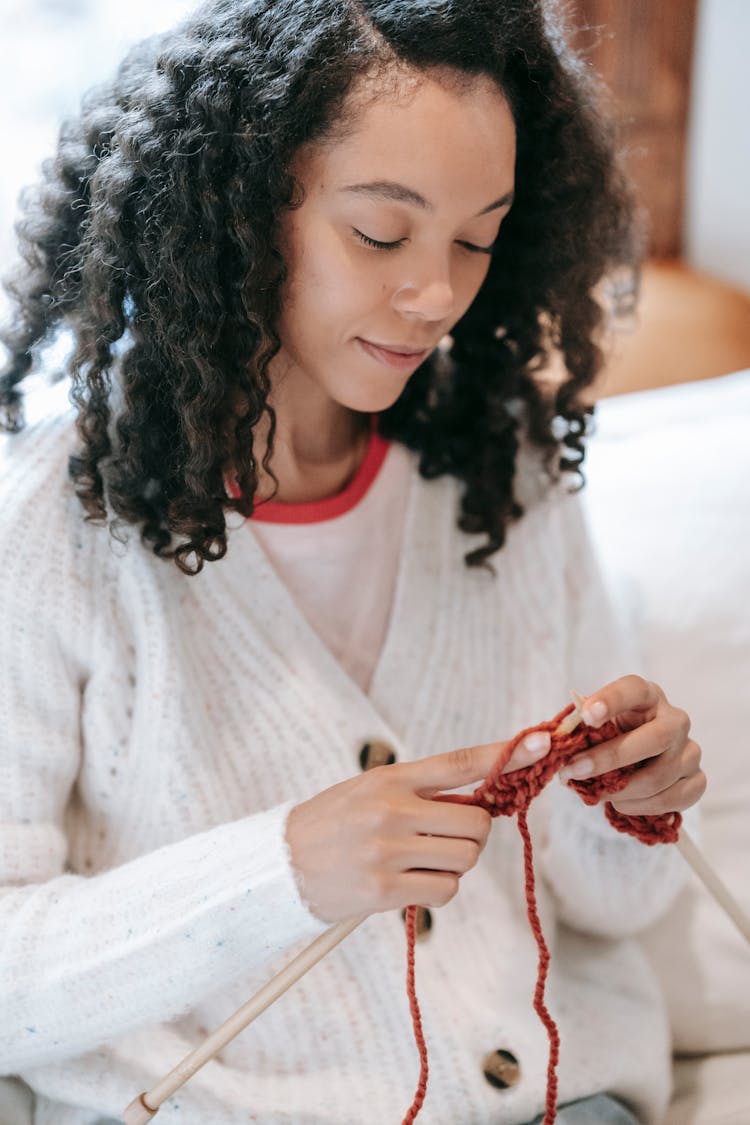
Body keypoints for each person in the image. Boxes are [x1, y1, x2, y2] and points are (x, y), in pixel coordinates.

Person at [0, 2, 706, 1123]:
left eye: (477, 238)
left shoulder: (503, 471)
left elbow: (616, 904)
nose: (437, 295)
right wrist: (281, 869)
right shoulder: (50, 531)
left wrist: (636, 804)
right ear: (235, 210)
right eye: (382, 234)